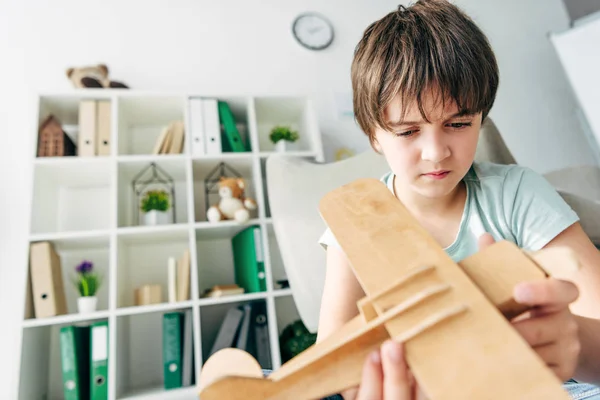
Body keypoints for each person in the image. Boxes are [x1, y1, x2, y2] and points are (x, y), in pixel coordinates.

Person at [316, 1, 600, 399]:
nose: (435, 152)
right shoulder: (354, 225)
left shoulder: (516, 193)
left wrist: (574, 342)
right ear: (374, 135)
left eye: (458, 124)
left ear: (481, 118)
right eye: (407, 131)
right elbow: (335, 368)